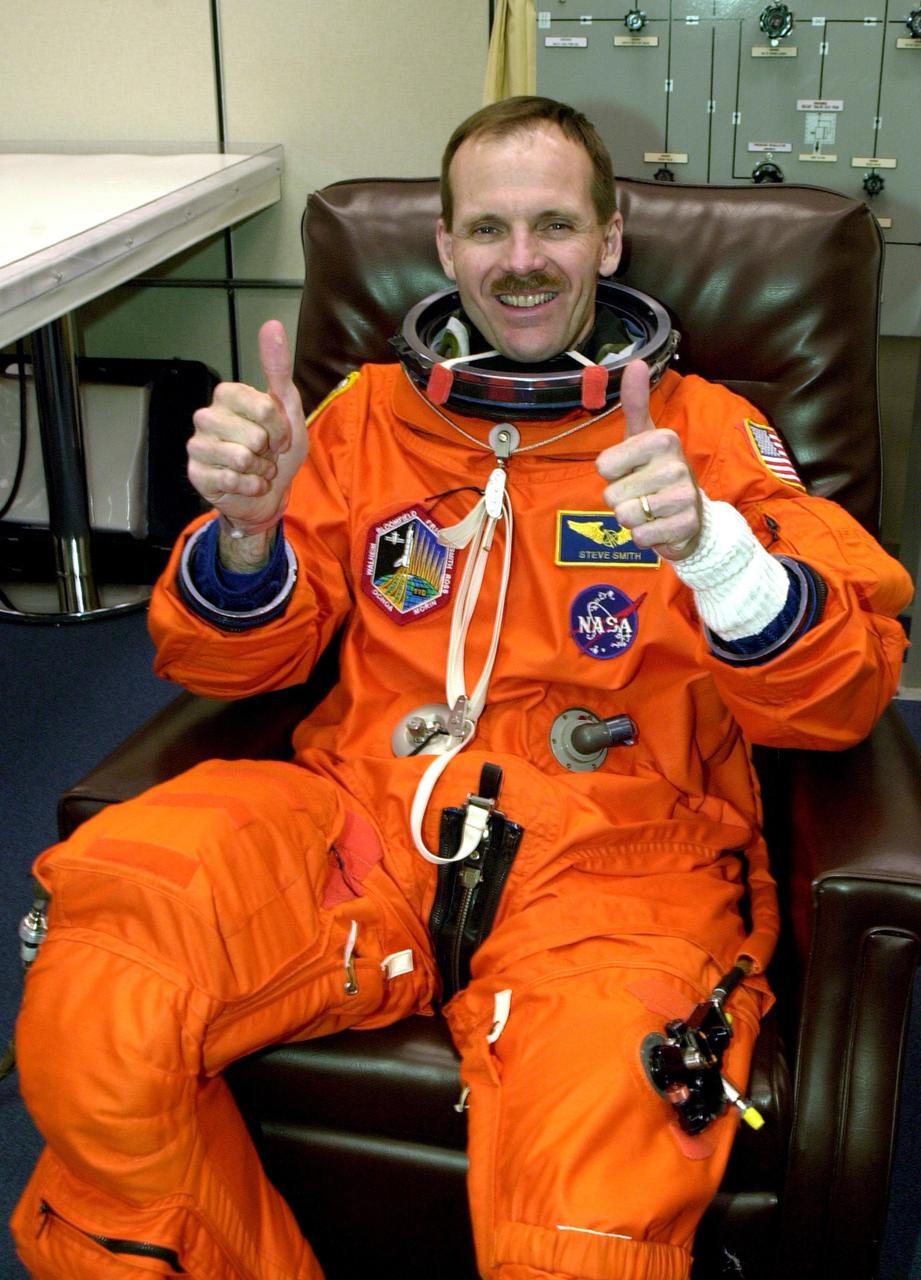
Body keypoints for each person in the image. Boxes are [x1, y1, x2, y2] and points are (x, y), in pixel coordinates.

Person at [12, 96, 912, 1280]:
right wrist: (243, 535)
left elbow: (841, 694)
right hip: (365, 819)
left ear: (609, 237)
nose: (523, 260)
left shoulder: (706, 432)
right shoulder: (357, 422)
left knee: (587, 1213)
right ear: (444, 250)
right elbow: (225, 662)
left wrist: (718, 556)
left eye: (554, 225)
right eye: (489, 229)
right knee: (101, 996)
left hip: (618, 865)